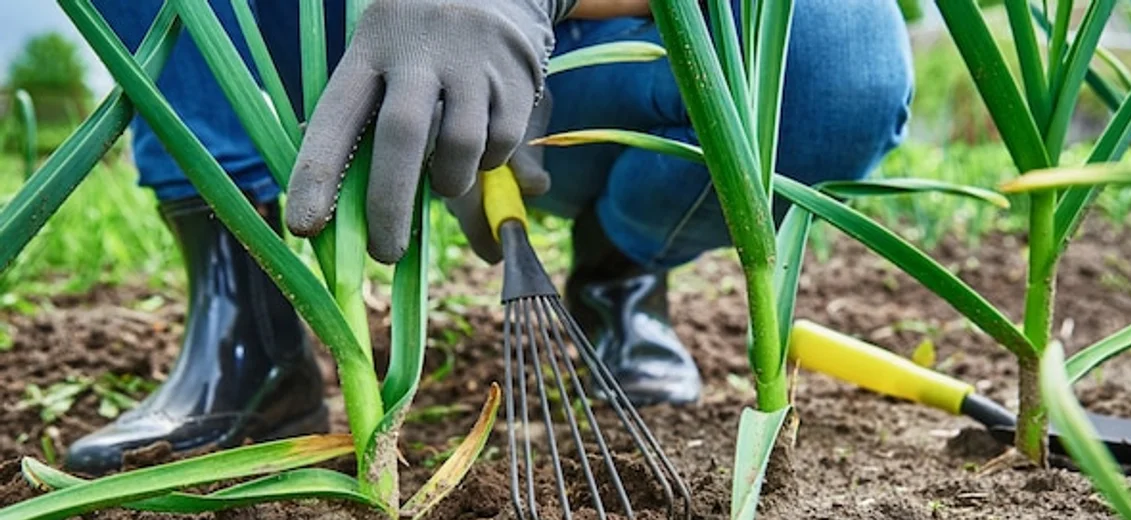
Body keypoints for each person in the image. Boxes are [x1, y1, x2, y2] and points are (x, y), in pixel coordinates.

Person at [66, 0, 914, 475]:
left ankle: (620, 271)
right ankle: (250, 327)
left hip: (614, 47)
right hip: (331, 46)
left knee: (842, 57)